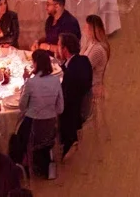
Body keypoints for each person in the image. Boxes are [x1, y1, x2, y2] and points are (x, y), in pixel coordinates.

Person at [16, 47, 64, 176]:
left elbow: (21, 106)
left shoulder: (31, 83)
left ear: (36, 64)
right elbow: (60, 108)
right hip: (50, 129)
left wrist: (25, 81)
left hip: (33, 130)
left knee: (14, 135)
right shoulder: (56, 81)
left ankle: (21, 164)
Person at [58, 31, 95, 154]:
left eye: (59, 46)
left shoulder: (69, 74)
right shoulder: (84, 60)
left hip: (73, 112)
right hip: (85, 104)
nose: (57, 49)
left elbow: (65, 96)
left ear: (65, 50)